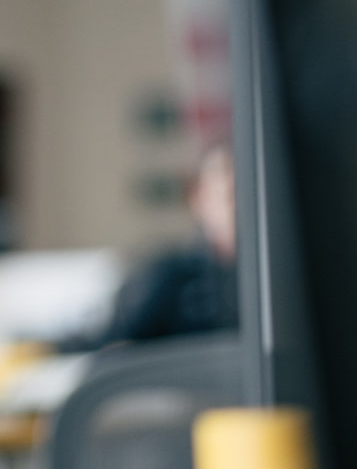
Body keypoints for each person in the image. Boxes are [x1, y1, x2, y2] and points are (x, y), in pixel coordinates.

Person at [65, 143, 240, 351]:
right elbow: (109, 349)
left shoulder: (274, 276)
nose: (240, 207)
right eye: (230, 195)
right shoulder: (164, 280)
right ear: (198, 197)